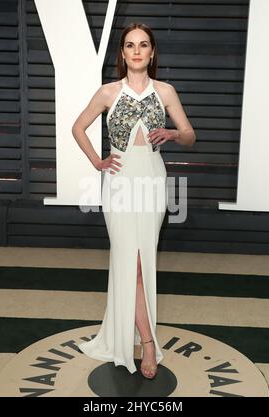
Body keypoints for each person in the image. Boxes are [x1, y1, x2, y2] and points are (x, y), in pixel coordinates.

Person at [72, 22, 196, 379]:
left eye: (143, 45)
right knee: (133, 262)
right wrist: (98, 161)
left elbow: (189, 134)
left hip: (153, 180)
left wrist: (173, 133)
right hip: (120, 182)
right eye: (130, 45)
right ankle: (148, 343)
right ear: (123, 54)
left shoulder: (165, 91)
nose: (137, 51)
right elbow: (78, 127)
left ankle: (139, 337)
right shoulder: (108, 92)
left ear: (152, 52)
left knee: (145, 257)